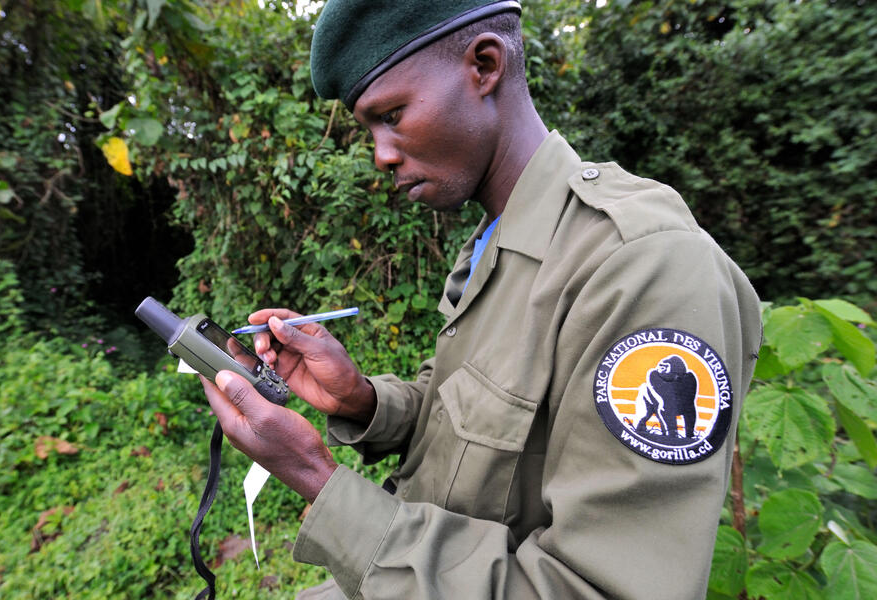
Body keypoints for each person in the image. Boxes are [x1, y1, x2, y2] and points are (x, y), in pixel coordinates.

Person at [199, 1, 762, 598]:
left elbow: (599, 589)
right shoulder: (497, 240)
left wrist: (317, 477)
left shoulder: (642, 268)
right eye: (370, 129)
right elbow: (466, 418)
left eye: (391, 115)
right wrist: (359, 399)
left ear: (485, 65)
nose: (381, 155)